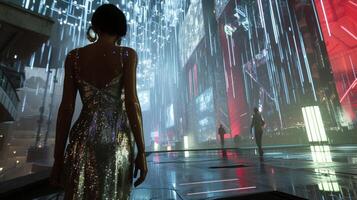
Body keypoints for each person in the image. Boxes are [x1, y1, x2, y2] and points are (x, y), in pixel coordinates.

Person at [50, 4, 147, 199]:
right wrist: (142, 152)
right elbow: (132, 104)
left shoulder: (74, 57)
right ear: (120, 28)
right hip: (117, 139)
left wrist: (57, 158)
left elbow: (66, 109)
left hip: (82, 139)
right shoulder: (126, 55)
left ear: (95, 26)